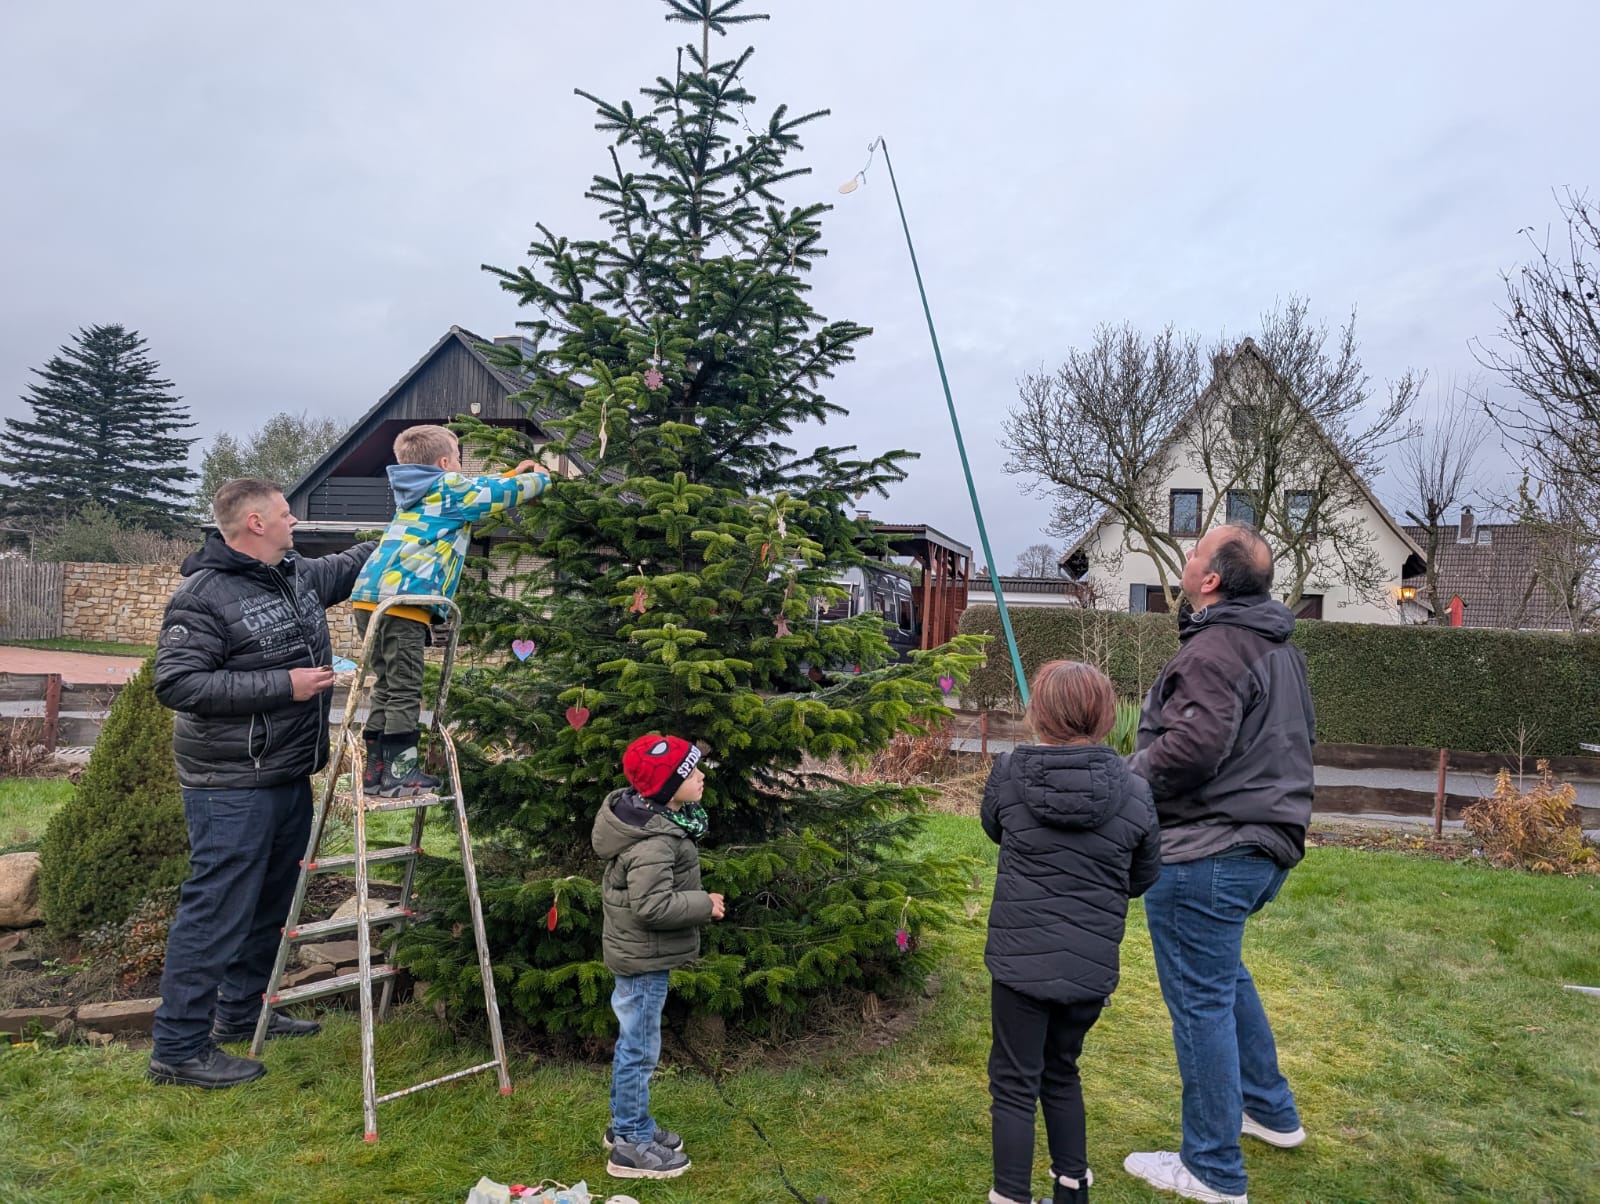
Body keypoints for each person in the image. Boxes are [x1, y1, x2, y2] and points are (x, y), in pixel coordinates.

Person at [148, 479, 377, 1088]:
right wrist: (287, 686)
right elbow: (178, 684)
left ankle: (240, 1014)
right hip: (228, 785)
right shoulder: (203, 597)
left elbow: (351, 565)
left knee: (270, 903)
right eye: (284, 513)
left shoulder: (292, 574)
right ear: (253, 523)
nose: (293, 520)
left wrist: (412, 523)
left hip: (285, 773)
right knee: (216, 910)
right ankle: (177, 1048)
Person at [1123, 523, 1315, 1204]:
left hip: (1207, 851)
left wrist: (1121, 778)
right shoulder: (1276, 647)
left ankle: (1211, 1168)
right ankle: (1268, 1108)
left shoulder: (1216, 648)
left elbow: (1190, 752)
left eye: (1195, 551)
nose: (1186, 557)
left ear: (1210, 580)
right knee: (1224, 976)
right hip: (1265, 848)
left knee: (1199, 1001)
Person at [982, 660, 1162, 1204]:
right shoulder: (1134, 790)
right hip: (1087, 968)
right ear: (1105, 715)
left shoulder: (1009, 773)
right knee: (1061, 1071)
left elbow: (994, 826)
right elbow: (1143, 875)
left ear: (1040, 714)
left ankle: (1011, 1196)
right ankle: (1071, 1188)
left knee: (1014, 1083)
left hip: (1020, 964)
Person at [350, 425, 548, 797]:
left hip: (368, 600)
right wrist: (540, 479)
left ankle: (374, 773)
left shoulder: (416, 491)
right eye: (458, 460)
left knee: (387, 686)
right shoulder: (448, 489)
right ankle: (400, 774)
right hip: (403, 603)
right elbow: (494, 494)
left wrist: (507, 473)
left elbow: (479, 488)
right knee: (407, 687)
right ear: (444, 463)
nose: (461, 467)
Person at [592, 734, 725, 1181]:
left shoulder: (655, 820)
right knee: (639, 1049)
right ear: (667, 787)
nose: (702, 775)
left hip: (639, 956)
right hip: (643, 961)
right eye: (691, 772)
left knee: (635, 1044)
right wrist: (704, 904)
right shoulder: (655, 841)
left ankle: (628, 1125)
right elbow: (651, 907)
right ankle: (630, 1145)